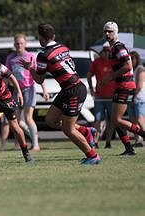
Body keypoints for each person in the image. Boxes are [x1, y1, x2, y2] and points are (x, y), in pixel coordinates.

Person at [22, 23, 101, 165]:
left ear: (40, 37)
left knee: (68, 129)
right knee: (50, 120)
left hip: (73, 90)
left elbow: (39, 79)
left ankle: (92, 156)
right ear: (54, 36)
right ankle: (87, 131)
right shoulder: (63, 47)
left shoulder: (43, 55)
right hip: (68, 89)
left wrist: (30, 69)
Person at [99, 21, 145, 156]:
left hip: (125, 86)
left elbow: (128, 66)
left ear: (116, 32)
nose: (107, 34)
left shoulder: (118, 47)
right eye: (105, 31)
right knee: (114, 119)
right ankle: (129, 149)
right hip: (120, 86)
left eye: (110, 31)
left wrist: (109, 77)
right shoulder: (113, 47)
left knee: (117, 120)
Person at [6, 33, 49, 151]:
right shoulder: (11, 58)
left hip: (29, 89)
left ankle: (35, 145)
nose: (19, 45)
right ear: (14, 44)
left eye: (21, 43)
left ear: (25, 44)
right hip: (17, 90)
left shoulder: (30, 56)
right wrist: (4, 89)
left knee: (28, 117)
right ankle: (33, 137)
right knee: (17, 121)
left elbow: (38, 74)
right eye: (17, 43)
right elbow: (6, 75)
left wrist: (44, 89)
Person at [87, 42, 115, 149]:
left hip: (112, 96)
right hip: (99, 96)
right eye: (105, 51)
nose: (107, 53)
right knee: (97, 119)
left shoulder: (114, 62)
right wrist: (91, 89)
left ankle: (108, 142)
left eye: (109, 51)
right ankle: (95, 141)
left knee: (111, 120)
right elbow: (89, 75)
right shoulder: (97, 62)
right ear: (102, 51)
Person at [127, 51, 145, 147]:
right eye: (129, 59)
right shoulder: (130, 69)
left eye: (132, 58)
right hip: (130, 98)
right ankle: (138, 140)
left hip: (139, 98)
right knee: (133, 120)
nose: (131, 60)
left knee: (140, 119)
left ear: (137, 59)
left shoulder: (140, 69)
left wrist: (133, 96)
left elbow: (139, 86)